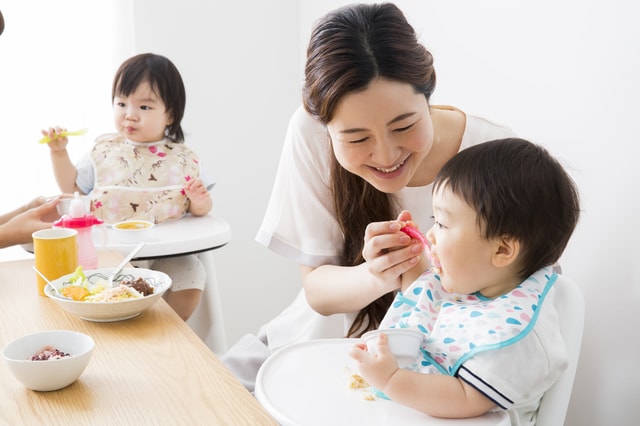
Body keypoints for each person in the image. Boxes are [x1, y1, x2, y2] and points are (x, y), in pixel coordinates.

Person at [220, 2, 515, 391]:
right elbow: (318, 293)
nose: (386, 156)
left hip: (439, 376)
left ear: (428, 95)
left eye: (404, 126)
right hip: (311, 347)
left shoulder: (494, 156)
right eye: (357, 138)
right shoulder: (310, 133)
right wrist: (374, 275)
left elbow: (516, 301)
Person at [349, 138, 580, 424]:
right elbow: (424, 296)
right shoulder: (479, 282)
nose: (431, 234)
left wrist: (392, 379)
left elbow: (465, 398)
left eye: (443, 224)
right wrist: (405, 251)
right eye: (435, 219)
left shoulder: (514, 335)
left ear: (502, 250)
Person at [42, 53, 212, 321]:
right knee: (111, 285)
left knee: (191, 273)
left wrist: (200, 201)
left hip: (168, 251)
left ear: (170, 114)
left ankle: (171, 329)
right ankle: (131, 327)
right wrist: (58, 153)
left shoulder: (182, 159)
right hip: (112, 252)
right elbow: (73, 188)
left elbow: (199, 212)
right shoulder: (103, 152)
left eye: (144, 108)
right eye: (121, 104)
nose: (130, 115)